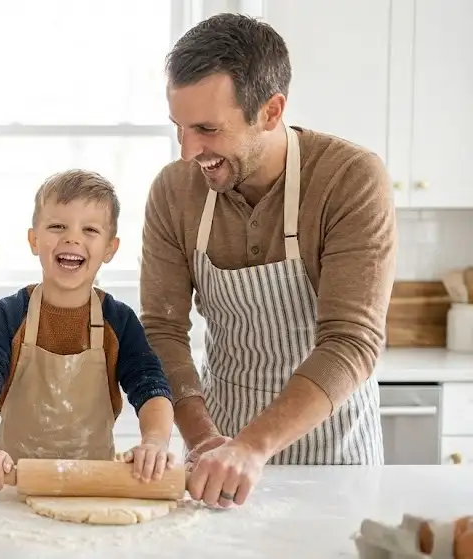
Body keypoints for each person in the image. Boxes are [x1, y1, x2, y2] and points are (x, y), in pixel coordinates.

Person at [139, 13, 395, 507]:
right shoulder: (175, 192)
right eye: (180, 128)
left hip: (335, 460)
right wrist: (205, 440)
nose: (190, 151)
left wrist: (253, 446)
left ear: (272, 111)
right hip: (218, 463)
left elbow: (352, 339)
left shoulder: (349, 179)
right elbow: (162, 331)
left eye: (208, 129)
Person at [0, 169, 175, 492]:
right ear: (34, 240)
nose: (72, 238)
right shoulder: (9, 315)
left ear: (110, 249)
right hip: (15, 485)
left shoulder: (120, 321)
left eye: (90, 229)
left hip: (92, 488)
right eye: (57, 226)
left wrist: (155, 442)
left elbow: (151, 386)